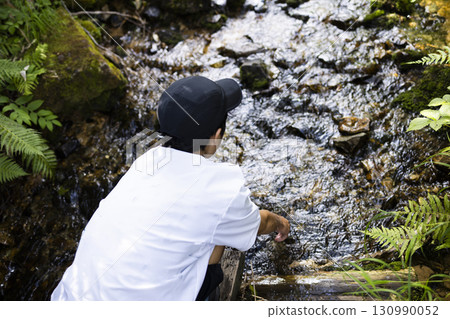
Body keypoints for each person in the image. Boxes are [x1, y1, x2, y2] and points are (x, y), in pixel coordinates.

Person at [51, 76, 290, 301]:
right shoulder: (220, 188)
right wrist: (280, 222)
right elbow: (259, 224)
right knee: (222, 229)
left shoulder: (146, 160)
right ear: (216, 136)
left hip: (68, 298)